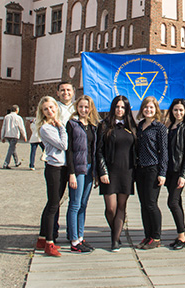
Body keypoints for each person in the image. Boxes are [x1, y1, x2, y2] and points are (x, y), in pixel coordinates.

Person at [96, 95, 137, 252]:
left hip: (126, 171)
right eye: (117, 107)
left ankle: (115, 240)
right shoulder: (105, 125)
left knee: (121, 206)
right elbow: (99, 151)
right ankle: (116, 233)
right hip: (110, 172)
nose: (119, 110)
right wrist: (102, 171)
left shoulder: (131, 126)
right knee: (110, 208)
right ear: (113, 108)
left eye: (122, 107)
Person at [34, 97, 68, 257]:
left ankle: (42, 238)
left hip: (60, 167)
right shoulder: (46, 128)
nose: (50, 111)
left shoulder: (53, 125)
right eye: (46, 109)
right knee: (53, 205)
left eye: (52, 108)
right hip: (54, 168)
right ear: (42, 112)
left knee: (52, 203)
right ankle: (49, 242)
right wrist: (61, 126)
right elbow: (63, 145)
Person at [64, 95, 99, 253]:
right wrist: (71, 173)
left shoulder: (92, 126)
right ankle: (73, 240)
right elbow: (69, 150)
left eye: (86, 107)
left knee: (83, 205)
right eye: (81, 107)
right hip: (77, 169)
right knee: (75, 204)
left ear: (90, 108)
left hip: (89, 168)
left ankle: (80, 236)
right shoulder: (71, 124)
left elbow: (94, 149)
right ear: (76, 108)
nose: (84, 110)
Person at [135, 96, 168, 250]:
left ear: (156, 110)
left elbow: (164, 152)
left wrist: (162, 172)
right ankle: (148, 235)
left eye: (151, 108)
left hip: (153, 168)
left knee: (151, 203)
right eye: (146, 107)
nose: (148, 110)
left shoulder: (159, 128)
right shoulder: (140, 126)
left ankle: (156, 236)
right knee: (143, 204)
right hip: (140, 169)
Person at [164, 98, 185, 250]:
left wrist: (184, 175)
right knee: (178, 203)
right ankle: (180, 234)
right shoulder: (169, 127)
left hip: (178, 171)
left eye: (181, 110)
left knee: (172, 202)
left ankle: (182, 236)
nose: (178, 113)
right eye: (176, 110)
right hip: (169, 170)